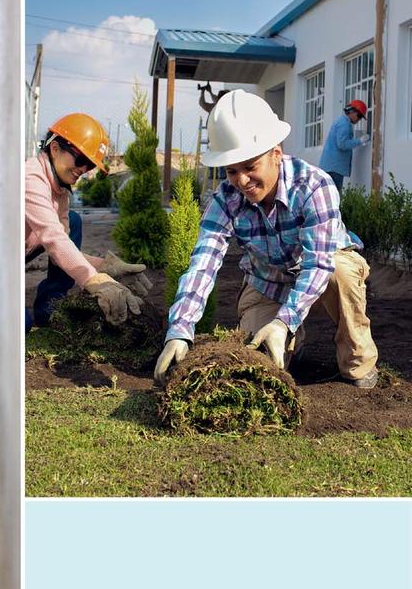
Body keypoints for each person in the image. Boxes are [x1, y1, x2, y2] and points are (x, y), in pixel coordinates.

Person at [155, 89, 378, 389]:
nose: (242, 181)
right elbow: (203, 265)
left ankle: (356, 360)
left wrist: (284, 321)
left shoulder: (314, 185)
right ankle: (289, 341)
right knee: (257, 358)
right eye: (232, 171)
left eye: (250, 167)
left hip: (325, 269)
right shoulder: (226, 199)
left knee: (342, 272)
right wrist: (180, 330)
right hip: (267, 279)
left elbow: (318, 266)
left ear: (275, 153)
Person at [25, 112, 151, 330]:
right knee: (21, 326)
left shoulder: (60, 189)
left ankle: (49, 310)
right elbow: (54, 240)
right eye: (81, 160)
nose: (83, 170)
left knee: (72, 221)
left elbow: (61, 248)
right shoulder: (30, 179)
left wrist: (106, 267)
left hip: (19, 249)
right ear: (55, 149)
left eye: (90, 166)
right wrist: (95, 281)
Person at [319, 99, 370, 194]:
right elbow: (342, 144)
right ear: (352, 112)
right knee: (334, 198)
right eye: (359, 116)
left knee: (328, 197)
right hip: (334, 168)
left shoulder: (342, 121)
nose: (359, 120)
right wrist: (359, 141)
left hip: (331, 167)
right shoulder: (344, 124)